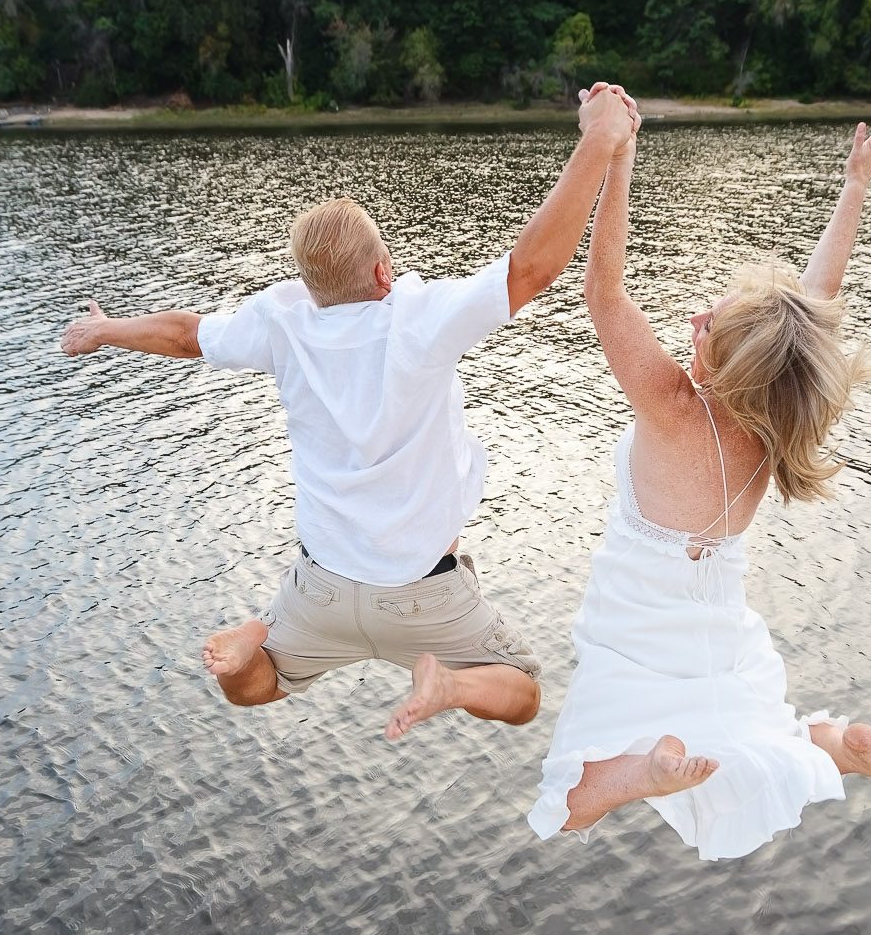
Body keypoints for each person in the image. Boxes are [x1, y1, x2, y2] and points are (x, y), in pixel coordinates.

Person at [62, 85, 640, 740]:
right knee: (525, 690)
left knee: (258, 688)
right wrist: (598, 139)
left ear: (311, 285)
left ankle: (252, 643)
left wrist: (106, 330)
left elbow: (185, 333)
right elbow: (532, 266)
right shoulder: (420, 317)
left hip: (322, 593)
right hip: (425, 594)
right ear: (384, 273)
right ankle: (447, 682)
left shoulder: (282, 319)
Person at [527, 101, 871, 861]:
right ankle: (844, 747)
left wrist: (618, 156)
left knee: (570, 800)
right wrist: (854, 187)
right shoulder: (773, 425)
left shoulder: (673, 408)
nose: (692, 319)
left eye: (704, 327)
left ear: (722, 368)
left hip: (639, 616)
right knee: (759, 726)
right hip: (718, 619)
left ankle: (635, 775)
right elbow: (815, 305)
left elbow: (603, 292)